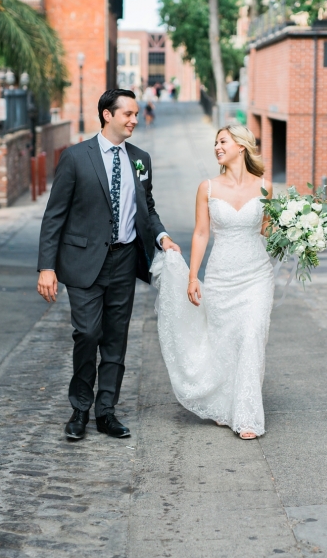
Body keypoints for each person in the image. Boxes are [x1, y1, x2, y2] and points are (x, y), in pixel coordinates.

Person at [37, 89, 181, 440]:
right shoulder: (75, 157)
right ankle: (80, 409)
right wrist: (47, 267)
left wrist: (162, 237)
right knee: (87, 334)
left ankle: (106, 412)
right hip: (83, 262)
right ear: (107, 115)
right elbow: (54, 216)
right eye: (128, 114)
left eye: (135, 114)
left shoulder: (140, 159)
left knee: (116, 339)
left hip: (125, 260)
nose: (135, 119)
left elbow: (148, 209)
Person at [150, 125, 274, 439]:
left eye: (223, 141)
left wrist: (297, 231)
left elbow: (267, 231)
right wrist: (193, 276)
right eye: (215, 143)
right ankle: (223, 403)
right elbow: (202, 233)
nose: (217, 147)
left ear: (241, 147)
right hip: (221, 276)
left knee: (251, 336)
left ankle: (247, 416)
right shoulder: (207, 187)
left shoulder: (265, 187)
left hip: (257, 275)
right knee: (226, 341)